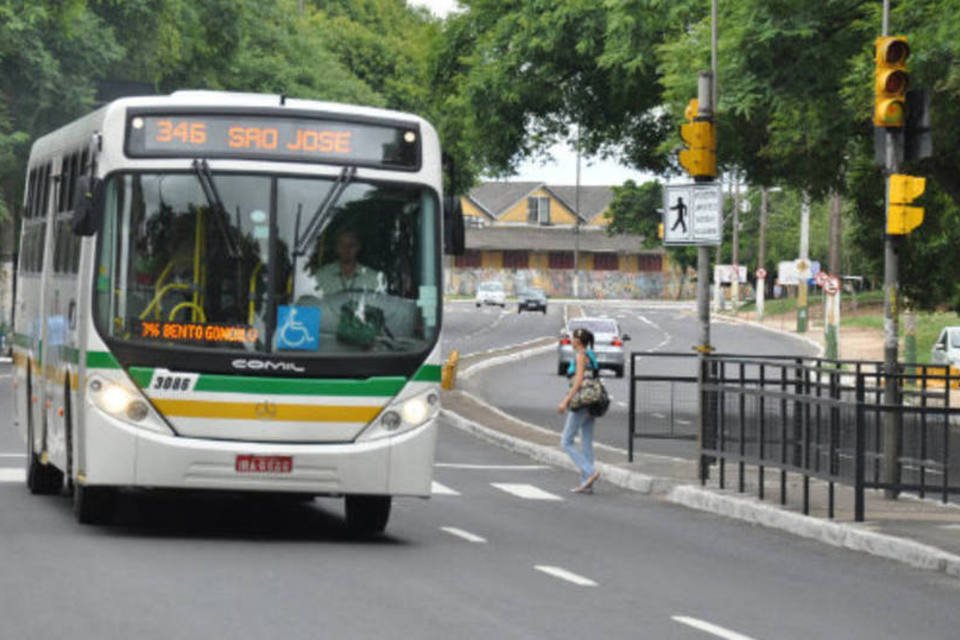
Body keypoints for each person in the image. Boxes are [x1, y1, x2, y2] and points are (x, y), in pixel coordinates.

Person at [557, 327, 602, 493]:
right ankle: (586, 483)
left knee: (566, 441)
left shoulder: (581, 355)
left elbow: (578, 381)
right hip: (592, 400)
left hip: (581, 401)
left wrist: (565, 401)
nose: (571, 339)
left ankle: (590, 472)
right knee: (586, 441)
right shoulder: (590, 354)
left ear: (578, 340)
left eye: (573, 337)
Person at [309, 228, 385, 298]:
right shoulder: (321, 276)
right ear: (336, 248)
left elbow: (382, 309)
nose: (347, 249)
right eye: (342, 245)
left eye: (352, 245)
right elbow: (309, 307)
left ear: (359, 247)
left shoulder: (374, 278)